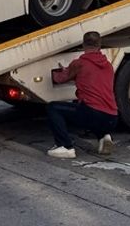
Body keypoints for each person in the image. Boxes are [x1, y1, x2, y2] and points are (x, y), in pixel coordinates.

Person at [45, 30, 117, 158]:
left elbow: (59, 79)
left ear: (83, 45)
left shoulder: (79, 63)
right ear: (100, 45)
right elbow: (92, 79)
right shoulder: (108, 65)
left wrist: (63, 71)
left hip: (92, 114)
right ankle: (104, 137)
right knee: (94, 108)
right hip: (112, 117)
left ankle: (66, 146)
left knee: (53, 107)